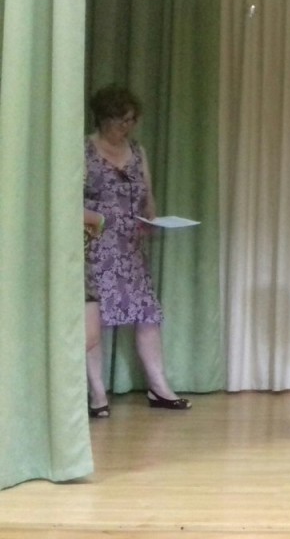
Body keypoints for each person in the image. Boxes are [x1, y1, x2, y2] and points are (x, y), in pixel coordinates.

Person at [84, 85, 191, 418]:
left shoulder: (136, 150)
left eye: (132, 120)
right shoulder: (84, 150)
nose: (127, 127)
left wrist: (152, 219)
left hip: (130, 248)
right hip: (95, 247)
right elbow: (69, 199)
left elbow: (147, 195)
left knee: (147, 314)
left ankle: (160, 388)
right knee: (93, 319)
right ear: (104, 119)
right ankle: (97, 395)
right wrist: (98, 222)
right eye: (121, 120)